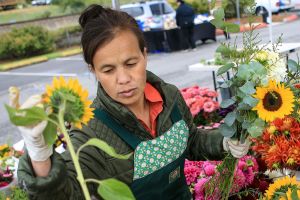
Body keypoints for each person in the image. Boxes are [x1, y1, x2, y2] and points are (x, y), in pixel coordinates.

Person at [16, 4, 249, 200]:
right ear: (93, 70)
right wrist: (39, 152)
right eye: (108, 70)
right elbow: (65, 192)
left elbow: (192, 141)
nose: (124, 79)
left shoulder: (170, 97)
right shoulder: (91, 132)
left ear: (144, 55)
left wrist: (223, 142)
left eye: (131, 63)